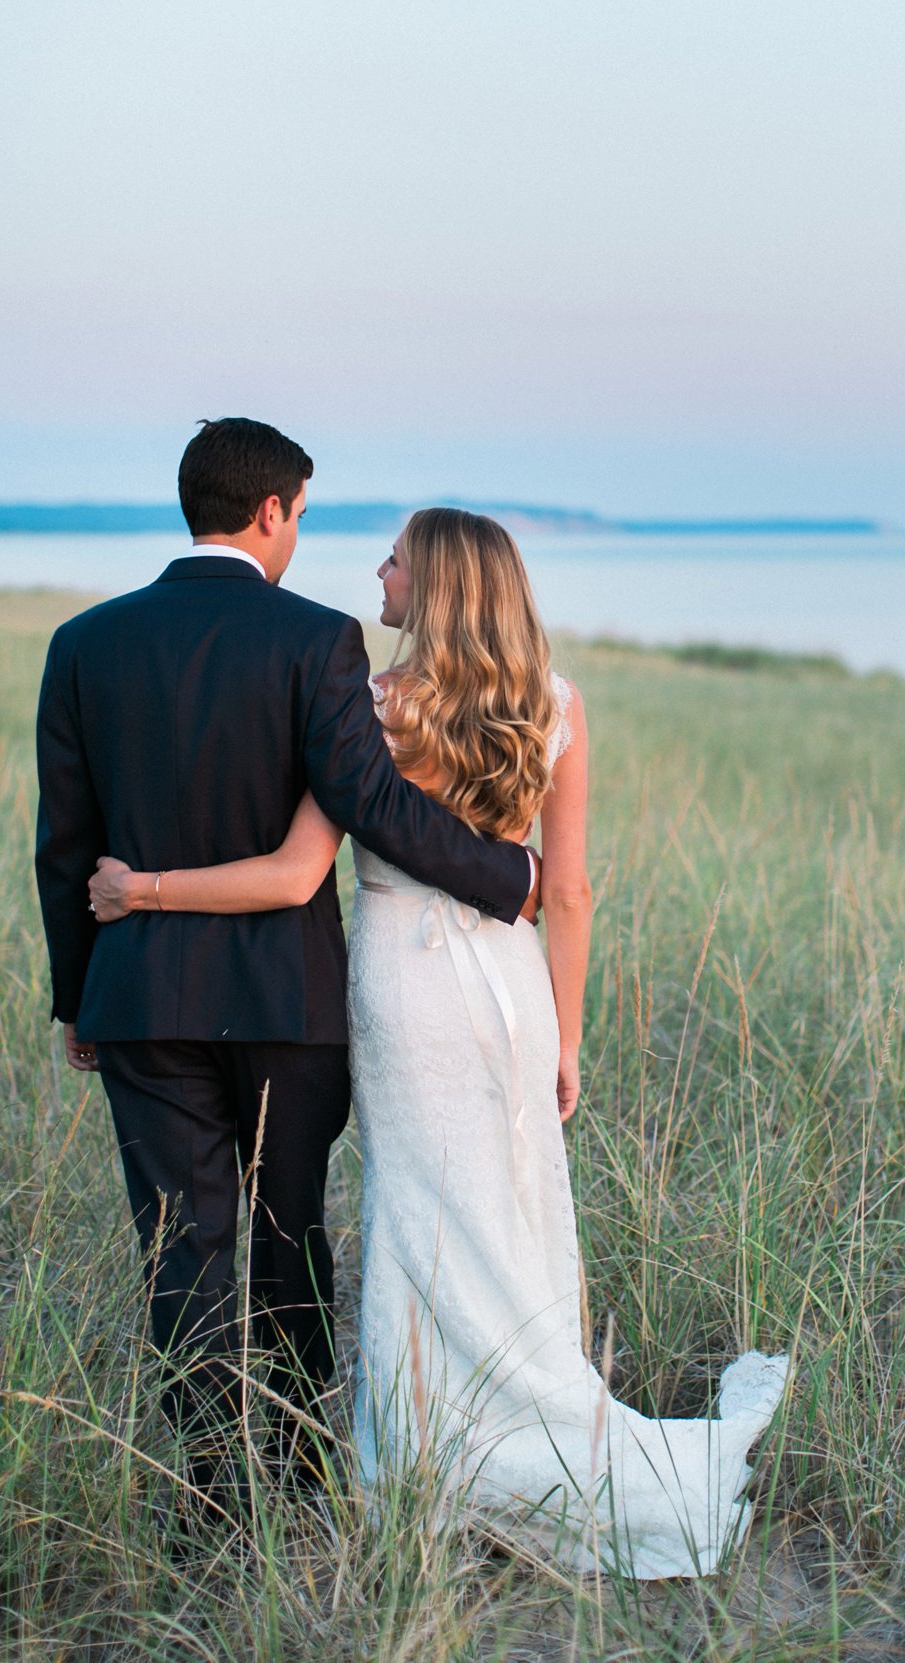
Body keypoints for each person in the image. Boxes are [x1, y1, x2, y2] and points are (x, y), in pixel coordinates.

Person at [88, 506, 788, 1577]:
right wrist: (566, 1036)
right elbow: (569, 890)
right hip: (509, 991)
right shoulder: (553, 706)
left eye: (395, 558)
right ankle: (525, 1412)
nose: (378, 569)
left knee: (416, 1207)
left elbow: (291, 872)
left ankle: (426, 1449)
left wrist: (143, 889)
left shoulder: (373, 706)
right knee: (503, 1201)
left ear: (437, 587)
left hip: (403, 990)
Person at [34, 423, 537, 1532]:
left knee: (184, 1247)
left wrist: (80, 997)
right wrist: (510, 875)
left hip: (139, 1001)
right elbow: (374, 804)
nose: (300, 533)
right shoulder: (317, 640)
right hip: (287, 1009)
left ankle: (212, 1502)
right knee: (287, 1234)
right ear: (272, 510)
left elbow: (63, 846)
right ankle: (305, 1472)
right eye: (301, 513)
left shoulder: (84, 642)